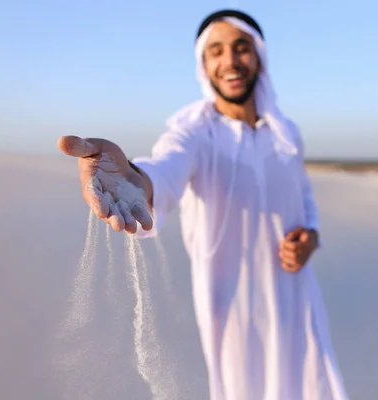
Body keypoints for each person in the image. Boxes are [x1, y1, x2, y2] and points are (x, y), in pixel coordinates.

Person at [58, 9, 349, 400]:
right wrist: (134, 180)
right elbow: (165, 171)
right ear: (204, 64)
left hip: (297, 299)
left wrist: (311, 236)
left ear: (258, 57)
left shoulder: (286, 133)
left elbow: (304, 196)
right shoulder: (194, 134)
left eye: (241, 48)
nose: (229, 61)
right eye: (216, 51)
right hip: (234, 312)